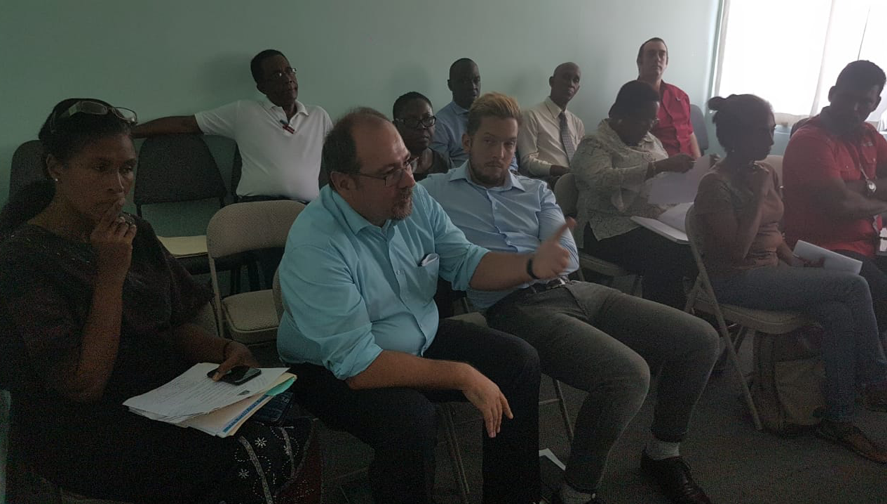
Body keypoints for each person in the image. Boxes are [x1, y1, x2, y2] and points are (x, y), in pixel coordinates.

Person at [0, 98, 319, 504]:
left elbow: (166, 323)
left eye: (127, 168)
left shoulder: (134, 231)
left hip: (168, 398)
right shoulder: (23, 261)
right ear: (55, 167)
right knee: (246, 454)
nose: (117, 184)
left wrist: (222, 349)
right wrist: (110, 276)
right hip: (87, 430)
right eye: (99, 168)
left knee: (286, 412)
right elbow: (82, 383)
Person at [422, 92, 719, 504]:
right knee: (628, 376)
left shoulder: (534, 191)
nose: (500, 154)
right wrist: (533, 262)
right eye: (489, 142)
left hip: (574, 289)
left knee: (701, 339)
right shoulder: (433, 192)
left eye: (509, 144)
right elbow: (464, 265)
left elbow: (567, 256)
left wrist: (537, 262)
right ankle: (577, 493)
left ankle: (663, 452)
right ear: (468, 142)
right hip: (513, 308)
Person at [277, 108, 575, 503]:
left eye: (407, 162)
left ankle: (513, 497)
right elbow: (358, 366)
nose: (408, 180)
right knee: (411, 420)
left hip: (416, 335)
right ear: (343, 182)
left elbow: (466, 262)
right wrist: (462, 375)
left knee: (518, 362)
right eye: (389, 173)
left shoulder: (413, 200)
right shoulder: (316, 244)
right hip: (329, 367)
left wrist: (531, 265)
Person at [694, 93, 887, 463]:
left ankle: (839, 418)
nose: (771, 140)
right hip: (734, 279)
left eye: (772, 131)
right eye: (763, 132)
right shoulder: (715, 184)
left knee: (838, 314)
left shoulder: (764, 172)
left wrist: (793, 260)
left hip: (770, 272)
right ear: (736, 136)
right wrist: (756, 198)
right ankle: (877, 376)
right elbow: (736, 253)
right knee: (854, 285)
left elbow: (774, 232)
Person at [133, 49, 332, 204]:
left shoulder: (318, 116)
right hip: (258, 206)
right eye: (277, 74)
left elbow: (341, 155)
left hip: (307, 209)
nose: (288, 79)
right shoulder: (243, 112)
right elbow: (187, 124)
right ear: (262, 87)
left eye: (289, 71)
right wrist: (129, 132)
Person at [783, 61, 887, 340]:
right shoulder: (811, 139)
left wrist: (861, 188)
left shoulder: (869, 135)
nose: (854, 109)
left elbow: (849, 198)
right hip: (821, 250)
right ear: (831, 94)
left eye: (864, 102)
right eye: (847, 98)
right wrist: (881, 199)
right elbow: (840, 206)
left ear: (876, 103)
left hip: (868, 244)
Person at [572, 80, 697, 308]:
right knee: (665, 255)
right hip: (606, 227)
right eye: (642, 119)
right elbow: (603, 180)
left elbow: (663, 177)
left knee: (695, 247)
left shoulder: (651, 140)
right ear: (619, 113)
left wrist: (686, 176)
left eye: (653, 120)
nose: (648, 127)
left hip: (652, 221)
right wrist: (658, 167)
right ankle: (666, 320)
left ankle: (699, 312)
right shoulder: (594, 143)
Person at [432, 58, 519, 171]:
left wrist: (510, 175)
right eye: (464, 81)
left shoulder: (495, 115)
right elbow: (442, 168)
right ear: (450, 85)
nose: (472, 86)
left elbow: (511, 161)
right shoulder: (440, 123)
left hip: (502, 176)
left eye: (476, 80)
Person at [518, 62, 586, 186]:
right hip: (549, 182)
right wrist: (559, 170)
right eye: (566, 77)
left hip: (578, 183)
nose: (570, 83)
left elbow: (582, 160)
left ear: (577, 88)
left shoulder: (577, 123)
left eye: (575, 80)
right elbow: (527, 161)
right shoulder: (531, 115)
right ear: (552, 82)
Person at [636, 38, 701, 159]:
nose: (657, 58)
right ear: (640, 61)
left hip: (690, 165)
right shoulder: (631, 97)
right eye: (651, 54)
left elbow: (689, 133)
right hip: (658, 165)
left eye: (662, 54)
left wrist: (699, 164)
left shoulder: (680, 96)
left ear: (666, 62)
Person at [392, 91, 451, 181]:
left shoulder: (444, 163)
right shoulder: (389, 167)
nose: (422, 126)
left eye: (427, 119)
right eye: (412, 121)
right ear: (395, 126)